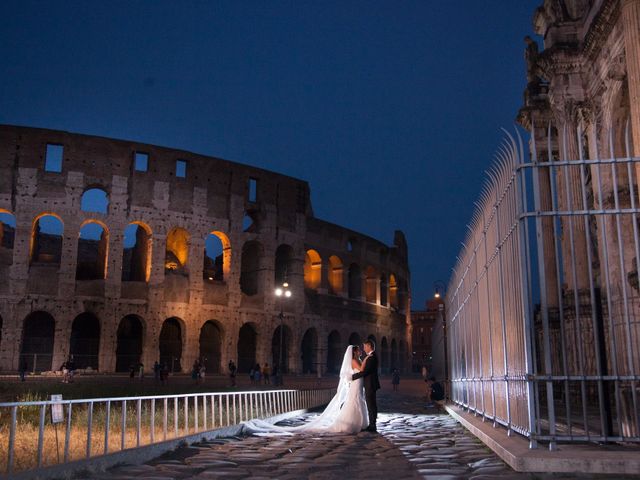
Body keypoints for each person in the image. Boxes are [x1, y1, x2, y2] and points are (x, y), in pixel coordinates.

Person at [242, 345, 368, 435]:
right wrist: (367, 359)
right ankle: (352, 423)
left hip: (357, 384)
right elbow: (361, 370)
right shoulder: (353, 360)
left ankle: (358, 422)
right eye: (358, 351)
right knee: (354, 402)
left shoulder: (356, 359)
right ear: (354, 352)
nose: (360, 352)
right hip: (356, 383)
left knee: (356, 401)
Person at [352, 340, 381, 432]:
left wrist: (353, 377)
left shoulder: (371, 357)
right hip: (371, 384)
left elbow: (365, 372)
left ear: (369, 346)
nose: (364, 349)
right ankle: (372, 424)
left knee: (371, 405)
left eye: (365, 347)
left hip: (370, 384)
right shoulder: (372, 356)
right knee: (372, 404)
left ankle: (372, 425)